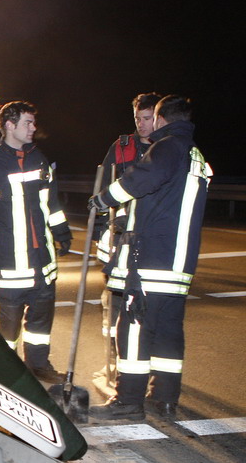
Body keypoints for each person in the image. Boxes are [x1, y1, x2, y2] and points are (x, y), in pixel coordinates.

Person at [87, 95, 211, 420]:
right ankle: (165, 400)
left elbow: (140, 180)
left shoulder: (168, 147)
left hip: (152, 261)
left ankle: (128, 402)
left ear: (160, 118)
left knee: (134, 328)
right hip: (179, 264)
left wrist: (103, 199)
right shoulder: (195, 154)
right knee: (168, 333)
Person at [0, 101, 72, 384]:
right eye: (28, 123)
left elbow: (50, 202)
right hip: (10, 265)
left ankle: (39, 366)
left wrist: (61, 231)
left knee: (40, 325)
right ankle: (8, 374)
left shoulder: (39, 158)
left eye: (34, 123)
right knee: (9, 328)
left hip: (42, 264)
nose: (33, 128)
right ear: (10, 126)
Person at [93, 92, 161, 383]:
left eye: (147, 118)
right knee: (115, 299)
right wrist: (99, 231)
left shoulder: (166, 149)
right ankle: (114, 360)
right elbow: (105, 188)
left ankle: (147, 362)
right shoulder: (120, 148)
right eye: (138, 119)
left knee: (151, 302)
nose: (142, 125)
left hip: (152, 236)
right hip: (119, 235)